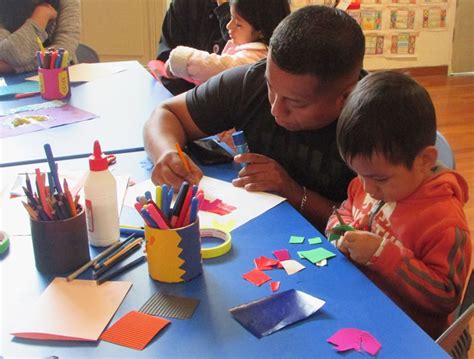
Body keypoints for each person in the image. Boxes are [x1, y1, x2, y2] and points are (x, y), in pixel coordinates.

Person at [144, 5, 365, 230]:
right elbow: (167, 114)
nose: (276, 109)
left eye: (295, 103)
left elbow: (370, 229)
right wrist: (166, 152)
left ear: (346, 95)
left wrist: (292, 191)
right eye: (271, 86)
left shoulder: (376, 125)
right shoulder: (253, 80)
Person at [326, 71, 472, 339]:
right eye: (359, 174)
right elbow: (345, 209)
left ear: (425, 160)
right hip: (362, 308)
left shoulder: (445, 223)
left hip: (411, 334)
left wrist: (383, 254)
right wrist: (339, 230)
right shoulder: (370, 180)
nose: (367, 188)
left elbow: (445, 297)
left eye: (379, 178)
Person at [167, 0, 290, 85]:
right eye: (230, 18)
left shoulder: (255, 58)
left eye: (237, 24)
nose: (228, 26)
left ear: (261, 31)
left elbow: (216, 66)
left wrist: (181, 60)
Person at [156, 0, 231, 95]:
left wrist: (225, 10)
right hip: (182, 97)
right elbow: (166, 58)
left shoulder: (246, 8)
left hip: (228, 97)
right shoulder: (184, 4)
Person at [0, 0, 80, 74]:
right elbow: (9, 54)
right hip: (11, 83)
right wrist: (40, 17)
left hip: (60, 78)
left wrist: (12, 67)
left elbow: (64, 50)